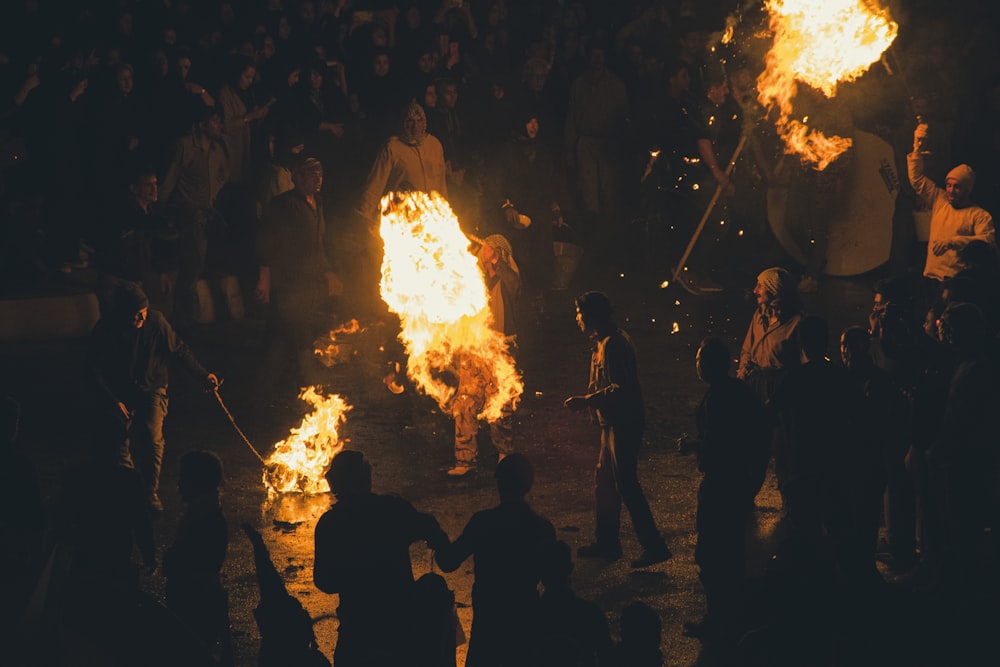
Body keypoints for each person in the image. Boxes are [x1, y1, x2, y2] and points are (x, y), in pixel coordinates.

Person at [564, 291, 672, 568]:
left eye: (579, 313)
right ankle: (608, 543)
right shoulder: (602, 342)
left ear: (590, 316)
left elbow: (619, 389)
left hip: (624, 423)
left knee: (625, 484)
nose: (576, 318)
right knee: (605, 483)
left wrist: (585, 401)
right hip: (611, 422)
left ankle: (654, 546)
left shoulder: (614, 345)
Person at [89, 282, 219, 511]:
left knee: (151, 437)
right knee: (118, 440)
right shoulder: (106, 329)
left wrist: (203, 375)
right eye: (134, 313)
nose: (140, 317)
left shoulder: (156, 323)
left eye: (143, 311)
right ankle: (129, 489)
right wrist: (113, 401)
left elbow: (178, 350)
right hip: (119, 392)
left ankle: (149, 493)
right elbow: (93, 370)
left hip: (152, 388)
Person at [313, 450, 449, 667]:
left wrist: (355, 574)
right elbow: (432, 531)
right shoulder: (393, 509)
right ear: (366, 478)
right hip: (399, 629)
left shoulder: (331, 523)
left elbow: (324, 581)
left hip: (357, 631)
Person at [682, 338, 771, 643]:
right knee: (730, 553)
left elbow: (721, 446)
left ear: (707, 365)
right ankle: (730, 617)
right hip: (737, 484)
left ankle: (720, 619)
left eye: (699, 359)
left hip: (722, 485)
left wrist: (694, 445)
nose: (696, 365)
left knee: (712, 554)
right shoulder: (737, 392)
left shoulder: (721, 397)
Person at [435, 453, 557, 666]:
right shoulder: (541, 528)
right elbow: (553, 580)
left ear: (499, 484)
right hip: (524, 619)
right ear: (528, 484)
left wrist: (438, 539)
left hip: (489, 621)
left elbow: (448, 562)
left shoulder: (483, 522)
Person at [255, 157, 343, 396]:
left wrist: (328, 272)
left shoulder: (319, 204)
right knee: (297, 334)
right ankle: (305, 385)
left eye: (320, 174)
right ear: (298, 178)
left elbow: (318, 246)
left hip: (310, 284)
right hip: (288, 283)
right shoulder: (284, 205)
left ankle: (272, 391)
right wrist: (265, 278)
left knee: (282, 338)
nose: (318, 179)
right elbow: (266, 244)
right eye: (312, 175)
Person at [447, 234, 520, 476]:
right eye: (487, 250)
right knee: (465, 402)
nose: (487, 254)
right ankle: (465, 460)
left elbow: (513, 285)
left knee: (500, 403)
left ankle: (504, 454)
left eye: (494, 251)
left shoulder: (508, 277)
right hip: (472, 348)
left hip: (501, 347)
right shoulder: (471, 277)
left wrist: (498, 262)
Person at [164, 450, 233, 667]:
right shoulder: (204, 512)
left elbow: (204, 562)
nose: (178, 485)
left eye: (183, 479)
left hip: (194, 598)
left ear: (195, 483)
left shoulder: (206, 519)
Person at [909, 122, 995, 286]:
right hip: (930, 278)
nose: (951, 190)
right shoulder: (939, 199)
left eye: (957, 187)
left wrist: (952, 242)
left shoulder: (979, 215)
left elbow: (987, 241)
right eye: (949, 185)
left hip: (956, 283)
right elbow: (917, 179)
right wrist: (916, 149)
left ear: (968, 190)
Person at [359, 100, 448, 223]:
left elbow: (441, 183)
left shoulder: (434, 145)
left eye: (419, 121)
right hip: (401, 218)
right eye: (410, 121)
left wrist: (444, 213)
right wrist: (364, 214)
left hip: (430, 218)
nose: (415, 126)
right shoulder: (392, 147)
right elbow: (376, 183)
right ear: (403, 123)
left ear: (424, 123)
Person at [736, 267, 804, 405]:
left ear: (774, 289)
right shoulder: (759, 316)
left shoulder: (796, 322)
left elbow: (803, 364)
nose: (755, 290)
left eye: (760, 286)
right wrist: (741, 379)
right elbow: (747, 350)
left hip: (780, 389)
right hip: (754, 384)